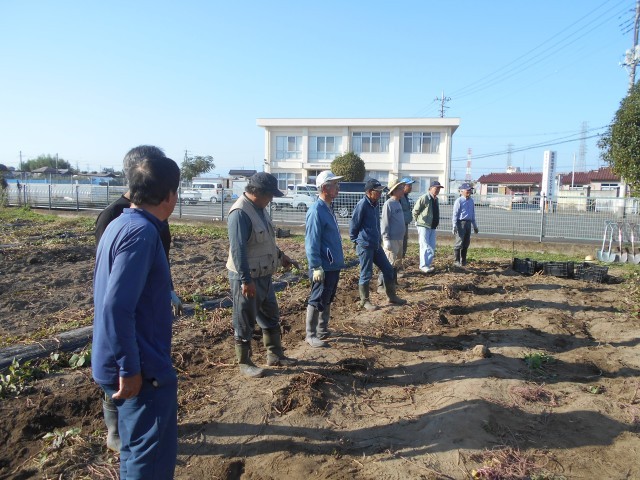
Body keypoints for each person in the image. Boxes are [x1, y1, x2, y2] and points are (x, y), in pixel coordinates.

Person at [93, 153, 181, 479]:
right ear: (170, 195)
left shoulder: (119, 223)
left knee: (133, 454)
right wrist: (130, 369)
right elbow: (116, 307)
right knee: (150, 462)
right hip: (143, 370)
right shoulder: (141, 234)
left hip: (126, 362)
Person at [227, 172, 300, 377]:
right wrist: (245, 280)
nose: (271, 199)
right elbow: (238, 250)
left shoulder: (260, 209)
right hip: (247, 277)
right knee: (244, 319)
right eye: (270, 195)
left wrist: (281, 256)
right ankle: (244, 362)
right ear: (258, 192)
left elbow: (266, 241)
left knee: (270, 315)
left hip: (264, 274)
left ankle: (275, 355)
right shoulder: (240, 213)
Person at [350, 179, 406, 311]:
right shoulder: (362, 205)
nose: (380, 193)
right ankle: (364, 301)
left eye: (381, 191)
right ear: (370, 192)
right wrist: (355, 240)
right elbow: (354, 223)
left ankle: (391, 296)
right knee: (366, 273)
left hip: (375, 244)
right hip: (365, 245)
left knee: (388, 268)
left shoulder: (375, 204)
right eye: (378, 191)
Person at [304, 170, 344, 348]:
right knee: (317, 298)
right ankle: (311, 334)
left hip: (333, 264)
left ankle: (322, 330)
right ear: (325, 188)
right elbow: (311, 241)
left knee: (327, 297)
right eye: (335, 185)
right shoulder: (316, 211)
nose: (338, 188)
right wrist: (316, 266)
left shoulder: (328, 208)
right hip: (323, 265)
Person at [378, 179, 407, 290]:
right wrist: (386, 239)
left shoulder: (398, 203)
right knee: (389, 262)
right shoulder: (388, 204)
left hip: (399, 238)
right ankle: (382, 285)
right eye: (400, 188)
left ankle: (394, 283)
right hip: (392, 239)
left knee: (396, 262)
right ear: (394, 190)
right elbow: (384, 222)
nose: (403, 190)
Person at [412, 180, 443, 273]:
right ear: (430, 188)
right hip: (423, 225)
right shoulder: (424, 197)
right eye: (436, 188)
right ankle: (423, 266)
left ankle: (427, 265)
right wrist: (417, 221)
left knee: (432, 246)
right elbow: (415, 211)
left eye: (439, 188)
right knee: (424, 246)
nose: (438, 190)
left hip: (432, 226)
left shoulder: (436, 199)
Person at [452, 183, 479, 267]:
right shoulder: (459, 201)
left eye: (470, 190)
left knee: (466, 243)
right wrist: (454, 225)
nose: (469, 192)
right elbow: (455, 214)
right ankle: (456, 261)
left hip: (468, 223)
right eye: (467, 190)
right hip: (461, 223)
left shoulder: (471, 201)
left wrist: (475, 226)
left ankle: (463, 261)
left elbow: (472, 214)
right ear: (461, 191)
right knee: (459, 242)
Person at [398, 177, 416, 264]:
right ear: (403, 186)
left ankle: (401, 260)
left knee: (404, 242)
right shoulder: (399, 197)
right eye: (409, 185)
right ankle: (397, 263)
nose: (411, 187)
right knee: (400, 243)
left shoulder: (405, 196)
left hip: (405, 223)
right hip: (400, 224)